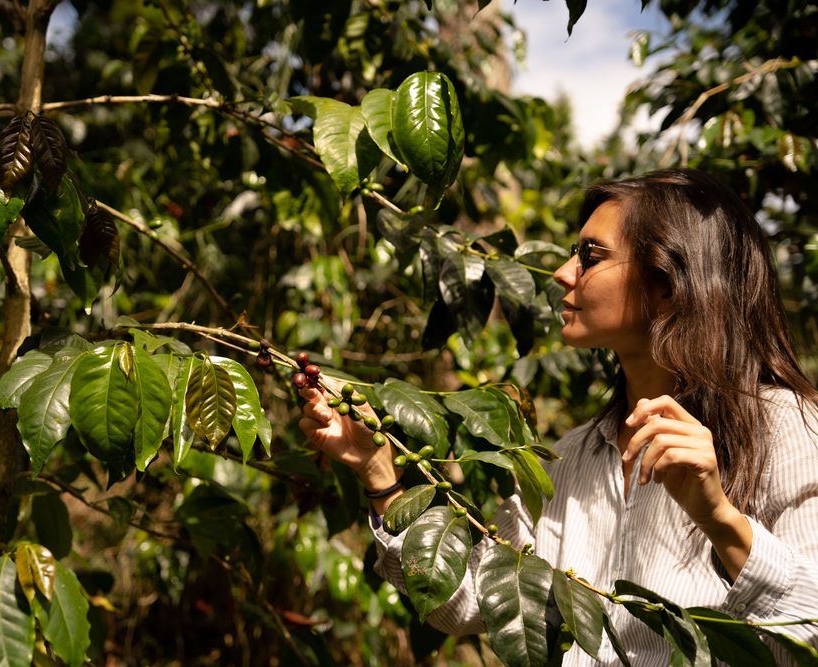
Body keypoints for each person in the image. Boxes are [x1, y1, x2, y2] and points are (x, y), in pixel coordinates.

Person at [299, 169, 818, 665]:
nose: (563, 272)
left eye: (591, 257)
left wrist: (721, 520)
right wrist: (379, 473)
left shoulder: (786, 427)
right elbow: (467, 599)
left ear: (667, 283)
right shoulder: (571, 457)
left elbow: (810, 629)